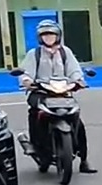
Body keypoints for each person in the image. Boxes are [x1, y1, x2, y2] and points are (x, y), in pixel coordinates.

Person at [17, 20, 97, 174]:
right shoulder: (34, 54)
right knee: (35, 113)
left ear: (58, 36)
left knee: (77, 121)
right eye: (45, 35)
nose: (48, 38)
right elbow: (26, 72)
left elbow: (74, 70)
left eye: (51, 34)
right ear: (40, 38)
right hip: (40, 92)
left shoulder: (65, 52)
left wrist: (79, 80)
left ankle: (84, 160)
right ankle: (35, 145)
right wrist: (26, 81)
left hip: (63, 92)